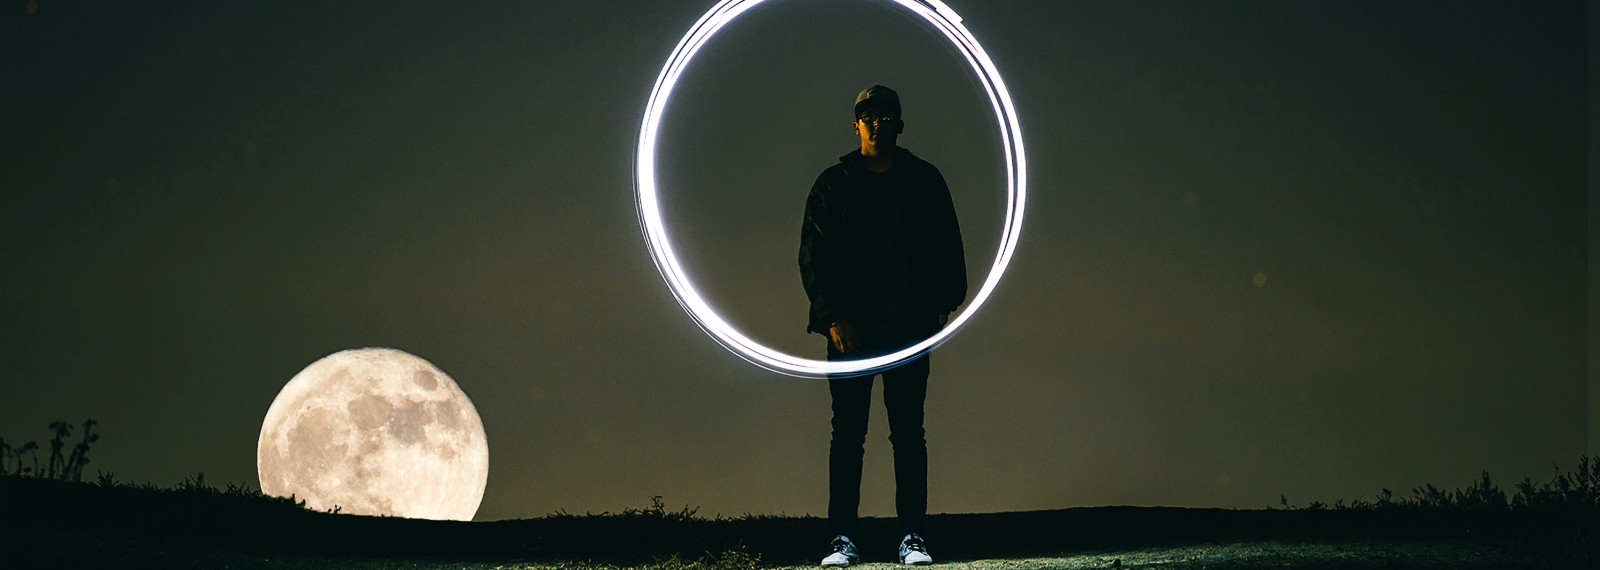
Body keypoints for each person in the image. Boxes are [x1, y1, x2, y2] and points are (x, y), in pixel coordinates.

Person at [798, 85, 967, 567]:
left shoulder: (924, 180)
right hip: (851, 333)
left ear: (899, 123)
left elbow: (947, 247)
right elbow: (814, 255)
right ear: (856, 125)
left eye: (886, 115)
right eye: (868, 115)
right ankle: (842, 540)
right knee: (848, 436)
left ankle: (912, 537)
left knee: (908, 434)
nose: (877, 122)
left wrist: (940, 309)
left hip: (909, 328)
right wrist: (832, 317)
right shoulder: (834, 183)